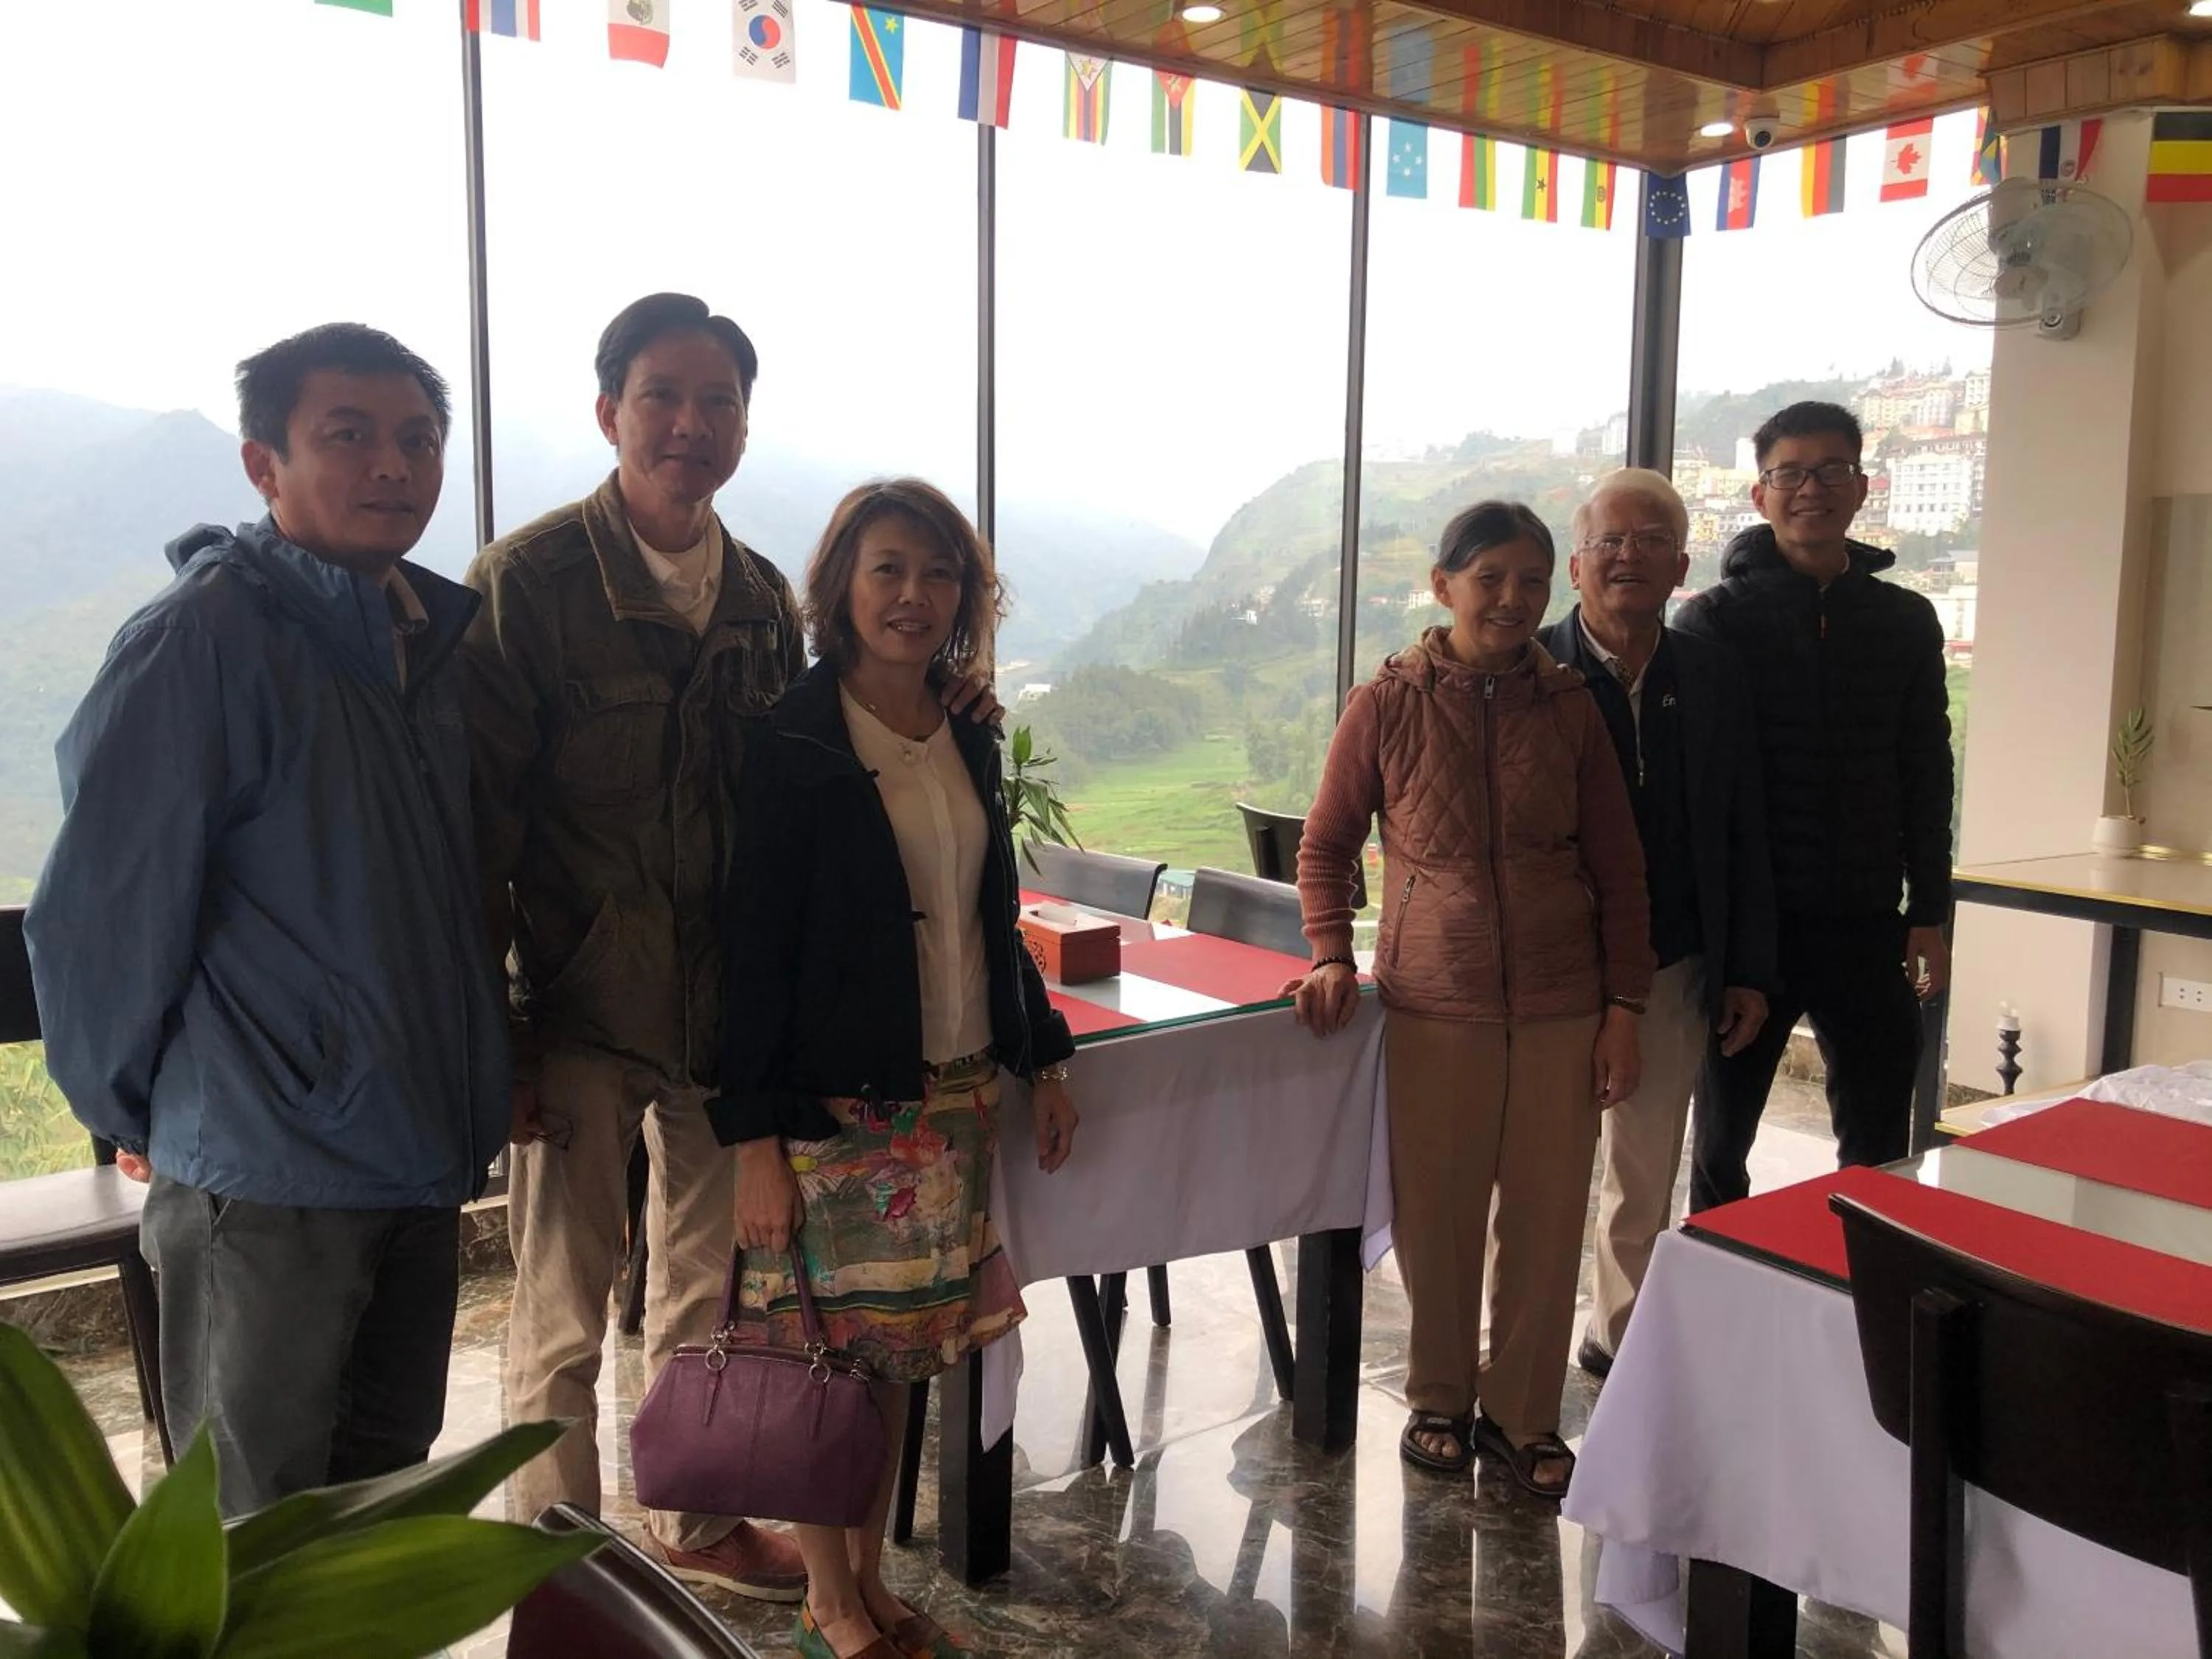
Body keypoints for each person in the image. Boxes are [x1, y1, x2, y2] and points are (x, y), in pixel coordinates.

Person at [463, 294, 997, 1597]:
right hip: (581, 1010)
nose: (689, 425)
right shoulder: (529, 585)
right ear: (610, 412)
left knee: (708, 1292)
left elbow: (832, 739)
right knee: (562, 1310)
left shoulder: (760, 597)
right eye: (663, 396)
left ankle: (692, 1526)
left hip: (727, 1023)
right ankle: (563, 1576)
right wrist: (502, 1037)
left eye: (719, 402)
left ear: (746, 427)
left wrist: (946, 694)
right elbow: (476, 830)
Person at [24, 324, 509, 1514]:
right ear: (263, 464)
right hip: (266, 1167)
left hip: (414, 1148)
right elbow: (98, 916)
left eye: (419, 439)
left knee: (383, 1499)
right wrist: (141, 1110)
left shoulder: (423, 643)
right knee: (250, 1514)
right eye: (348, 435)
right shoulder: (202, 643)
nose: (393, 465)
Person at [714, 478, 1079, 1659]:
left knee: (896, 1362)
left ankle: (865, 1579)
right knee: (829, 1362)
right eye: (888, 569)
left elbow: (989, 916)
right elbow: (752, 955)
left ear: (966, 595)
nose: (913, 594)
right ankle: (828, 1602)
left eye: (938, 572)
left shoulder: (967, 729)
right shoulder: (795, 740)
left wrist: (1044, 1059)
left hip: (952, 1095)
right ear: (841, 586)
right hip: (838, 1111)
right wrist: (753, 1141)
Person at [1290, 501, 1653, 1500]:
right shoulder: (1386, 702)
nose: (1511, 598)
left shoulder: (1571, 705)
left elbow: (1621, 869)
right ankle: (1440, 1396)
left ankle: (1525, 1413)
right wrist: (1330, 953)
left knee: (1546, 1216)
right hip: (1432, 998)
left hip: (1563, 999)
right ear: (1443, 585)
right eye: (1489, 577)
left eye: (1531, 581)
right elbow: (1325, 845)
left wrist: (1625, 1007)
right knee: (1439, 1210)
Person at [1674, 402, 1954, 1211]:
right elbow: (1700, 794)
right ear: (1760, 494)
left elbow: (1926, 769)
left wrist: (1929, 909)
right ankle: (1719, 1277)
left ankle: (1859, 1280)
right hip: (1753, 935)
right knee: (1721, 1146)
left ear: (1862, 487)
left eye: (1832, 470)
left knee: (1878, 1149)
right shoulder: (1713, 622)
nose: (1811, 489)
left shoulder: (1904, 622)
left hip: (1866, 921)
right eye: (1790, 473)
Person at [1537, 469, 1778, 1378]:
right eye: (1609, 541)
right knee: (1537, 1175)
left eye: (1650, 542)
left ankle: (1621, 1342)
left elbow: (1745, 826)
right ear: (1577, 566)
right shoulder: (1532, 672)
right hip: (1549, 971)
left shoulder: (1714, 675)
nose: (1627, 556)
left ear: (1681, 566)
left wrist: (1746, 966)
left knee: (1643, 1173)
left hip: (1671, 965)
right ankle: (1514, 1353)